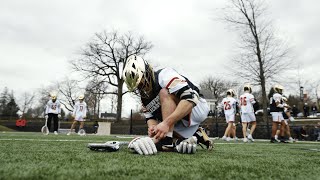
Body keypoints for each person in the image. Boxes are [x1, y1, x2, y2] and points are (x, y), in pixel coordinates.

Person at [122, 55, 212, 155]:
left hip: (197, 106)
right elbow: (151, 121)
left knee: (164, 92)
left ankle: (167, 141)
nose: (141, 89)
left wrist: (166, 124)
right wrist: (153, 130)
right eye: (137, 87)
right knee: (162, 131)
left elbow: (190, 98)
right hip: (181, 116)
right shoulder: (144, 99)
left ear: (147, 73)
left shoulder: (164, 75)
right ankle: (197, 134)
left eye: (141, 84)